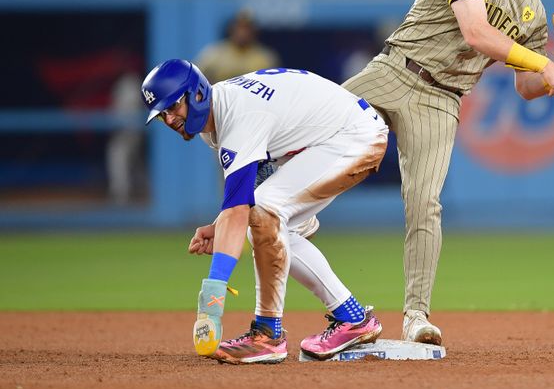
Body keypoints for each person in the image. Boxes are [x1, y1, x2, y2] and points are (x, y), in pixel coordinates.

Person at [342, 0, 554, 345]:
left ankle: (416, 316)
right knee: (311, 126)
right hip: (394, 70)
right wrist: (543, 63)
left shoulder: (533, 11)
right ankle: (264, 208)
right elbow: (476, 32)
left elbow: (524, 87)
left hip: (442, 100)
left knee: (425, 204)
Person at [141, 59, 388, 364]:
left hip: (353, 137)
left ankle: (268, 336)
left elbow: (244, 206)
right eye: (162, 113)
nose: (169, 118)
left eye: (173, 106)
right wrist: (221, 225)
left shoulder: (238, 117)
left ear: (197, 94)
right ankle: (352, 318)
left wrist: (213, 296)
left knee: (266, 213)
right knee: (265, 221)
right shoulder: (215, 119)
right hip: (327, 138)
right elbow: (243, 200)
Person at [195, 10, 281, 84]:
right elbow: (195, 77)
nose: (243, 32)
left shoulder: (265, 57)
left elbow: (275, 84)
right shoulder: (214, 53)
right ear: (232, 29)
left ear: (254, 31)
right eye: (239, 27)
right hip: (220, 100)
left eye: (247, 28)